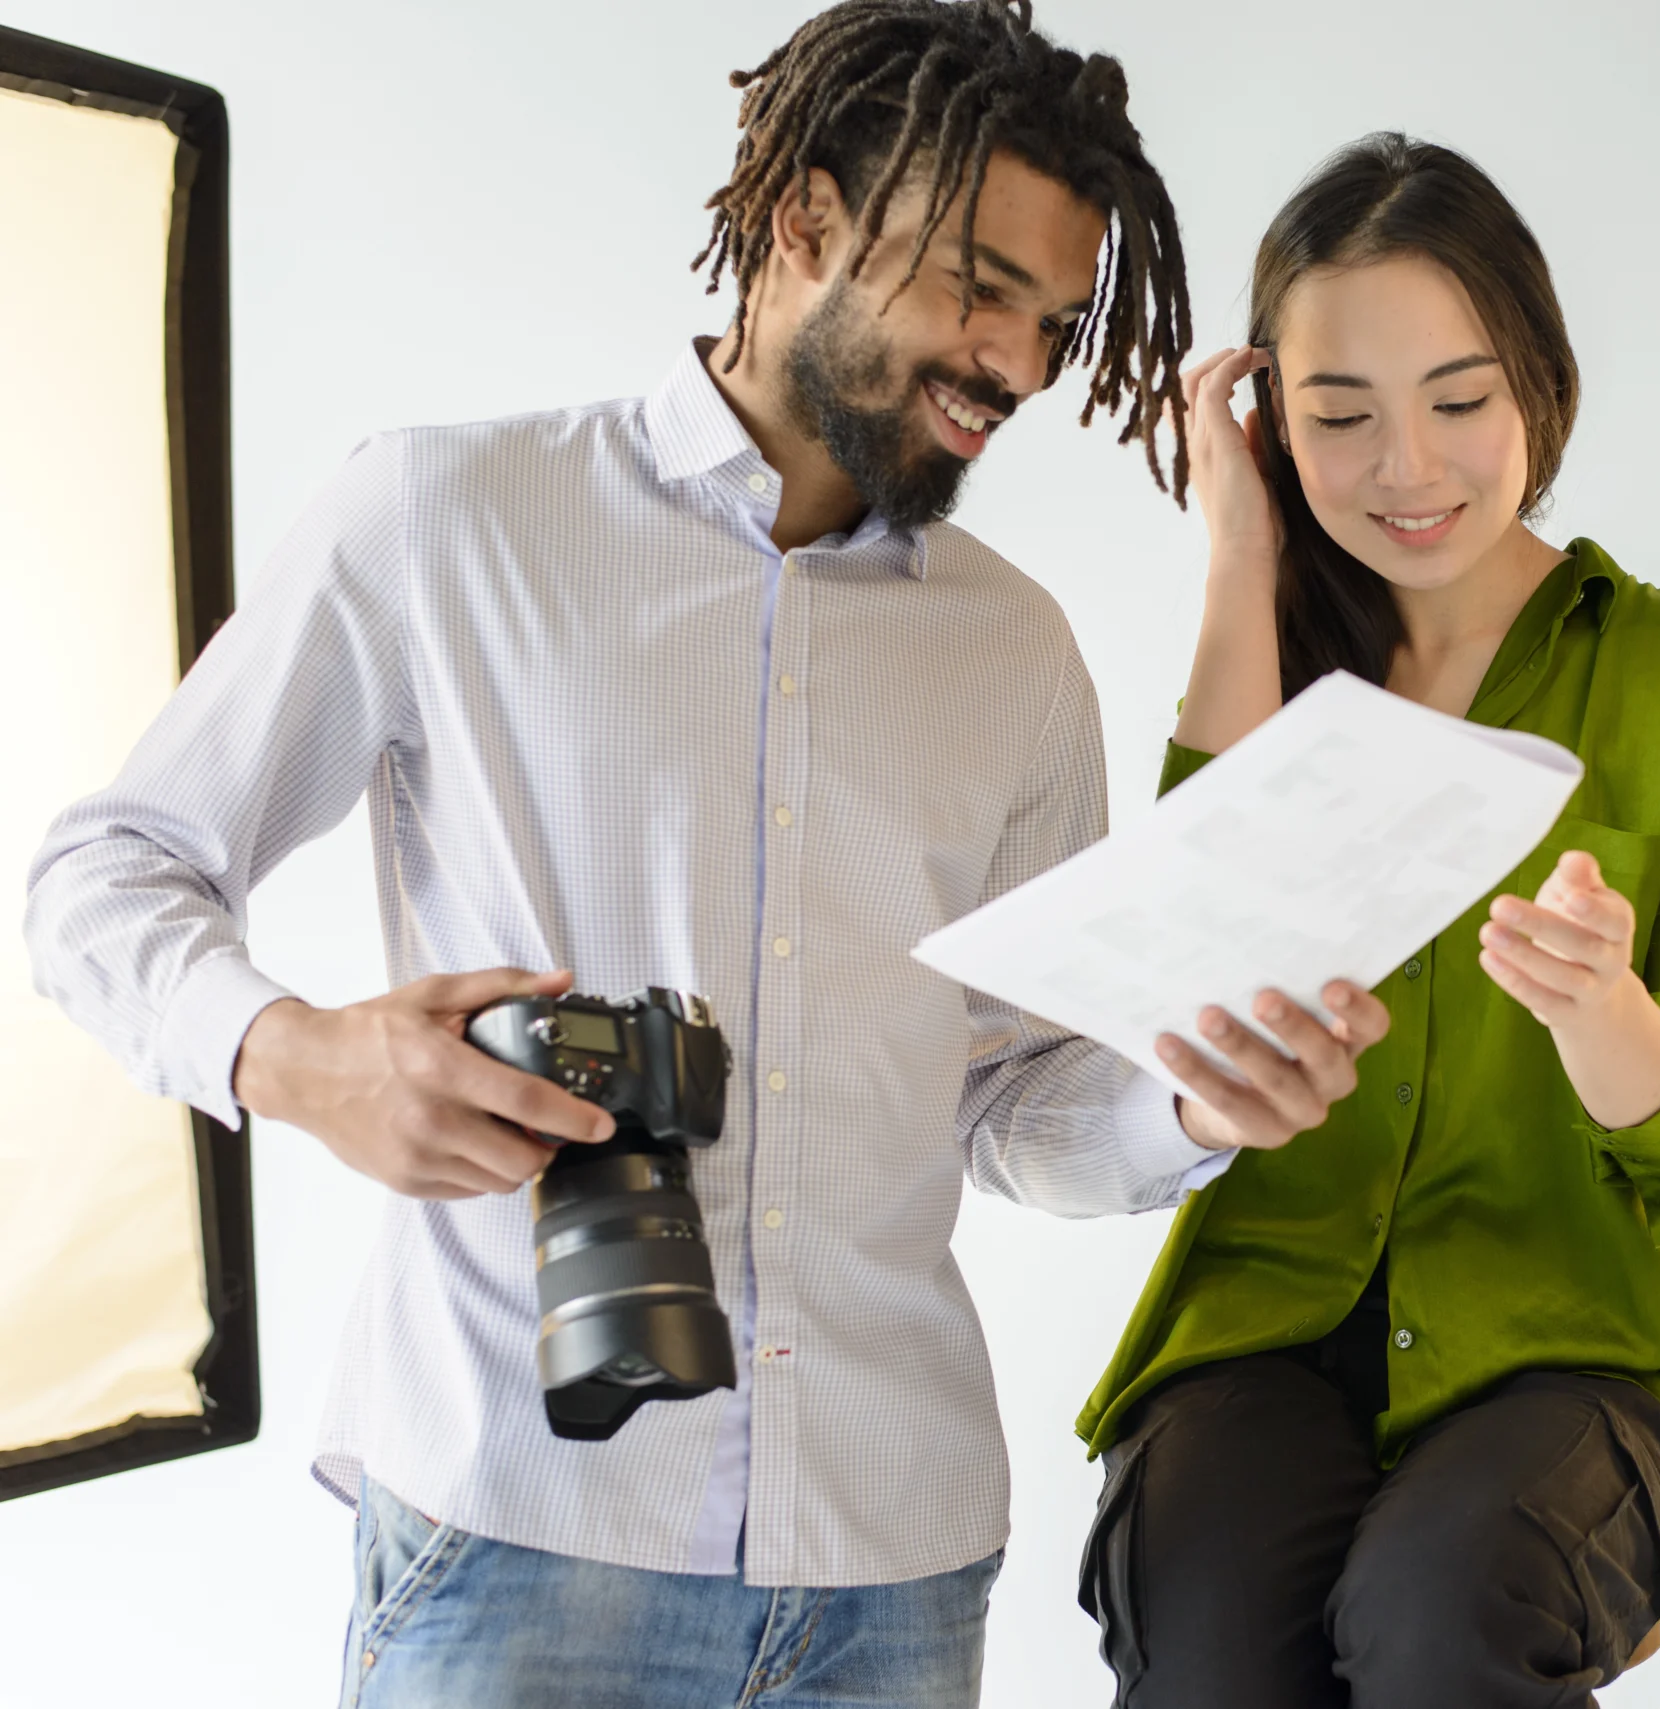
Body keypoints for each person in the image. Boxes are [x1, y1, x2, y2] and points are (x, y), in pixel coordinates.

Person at [21, 5, 1388, 1705]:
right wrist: (294, 1056)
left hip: (898, 1566)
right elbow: (105, 872)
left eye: (1050, 320)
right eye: (978, 286)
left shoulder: (1016, 652)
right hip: (525, 1534)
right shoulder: (448, 520)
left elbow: (1011, 1102)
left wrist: (1192, 1105)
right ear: (804, 219)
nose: (1020, 367)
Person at [1073, 133, 1660, 1708]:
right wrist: (1241, 550)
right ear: (1277, 421)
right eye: (1342, 418)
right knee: (1207, 1649)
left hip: (1576, 1343)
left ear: (1539, 383)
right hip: (1266, 1322)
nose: (1409, 469)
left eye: (1460, 403)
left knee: (1437, 1613)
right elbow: (1191, 975)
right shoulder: (1282, 664)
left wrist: (1608, 1015)